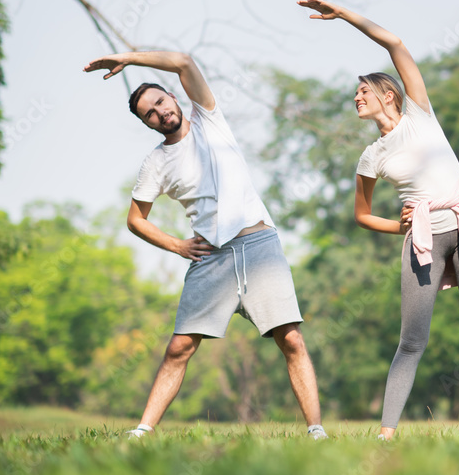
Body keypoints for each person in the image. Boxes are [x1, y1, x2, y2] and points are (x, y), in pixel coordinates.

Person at [83, 50, 327, 440]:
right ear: (147, 124)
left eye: (160, 101)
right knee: (179, 348)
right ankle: (142, 431)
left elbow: (182, 61)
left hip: (258, 244)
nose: (160, 112)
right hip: (211, 259)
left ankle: (316, 430)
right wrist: (177, 246)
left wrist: (128, 59)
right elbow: (135, 220)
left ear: (174, 98)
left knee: (292, 339)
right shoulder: (156, 163)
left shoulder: (210, 121)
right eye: (150, 113)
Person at [297, 0, 459, 439]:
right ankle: (385, 435)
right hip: (424, 237)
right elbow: (362, 215)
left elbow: (395, 44)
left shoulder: (419, 114)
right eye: (355, 94)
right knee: (411, 341)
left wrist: (346, 15)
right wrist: (401, 227)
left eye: (363, 92)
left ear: (388, 95)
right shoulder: (370, 156)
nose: (356, 98)